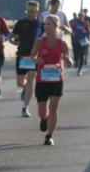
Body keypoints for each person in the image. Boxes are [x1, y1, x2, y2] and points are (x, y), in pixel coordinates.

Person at [31, 15, 74, 146]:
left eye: (48, 24)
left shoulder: (62, 43)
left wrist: (66, 59)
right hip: (42, 80)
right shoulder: (39, 42)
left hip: (56, 79)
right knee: (42, 111)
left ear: (56, 26)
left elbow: (70, 63)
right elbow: (32, 55)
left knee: (53, 108)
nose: (46, 27)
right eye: (45, 24)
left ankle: (49, 136)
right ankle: (44, 119)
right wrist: (36, 59)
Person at [10, 1, 44, 118]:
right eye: (28, 11)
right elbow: (11, 37)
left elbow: (45, 40)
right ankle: (24, 88)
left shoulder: (41, 25)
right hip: (22, 56)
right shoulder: (20, 23)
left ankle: (25, 107)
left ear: (37, 12)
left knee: (30, 81)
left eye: (32, 12)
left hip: (34, 57)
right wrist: (14, 41)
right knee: (20, 83)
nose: (29, 14)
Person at [70, 10, 90, 75]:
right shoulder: (75, 23)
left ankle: (79, 70)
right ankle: (76, 62)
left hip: (83, 41)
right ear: (78, 16)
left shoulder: (86, 23)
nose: (81, 17)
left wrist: (86, 31)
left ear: (84, 16)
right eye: (79, 16)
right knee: (76, 55)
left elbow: (89, 31)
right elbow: (70, 29)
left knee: (82, 55)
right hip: (75, 41)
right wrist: (72, 32)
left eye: (82, 16)